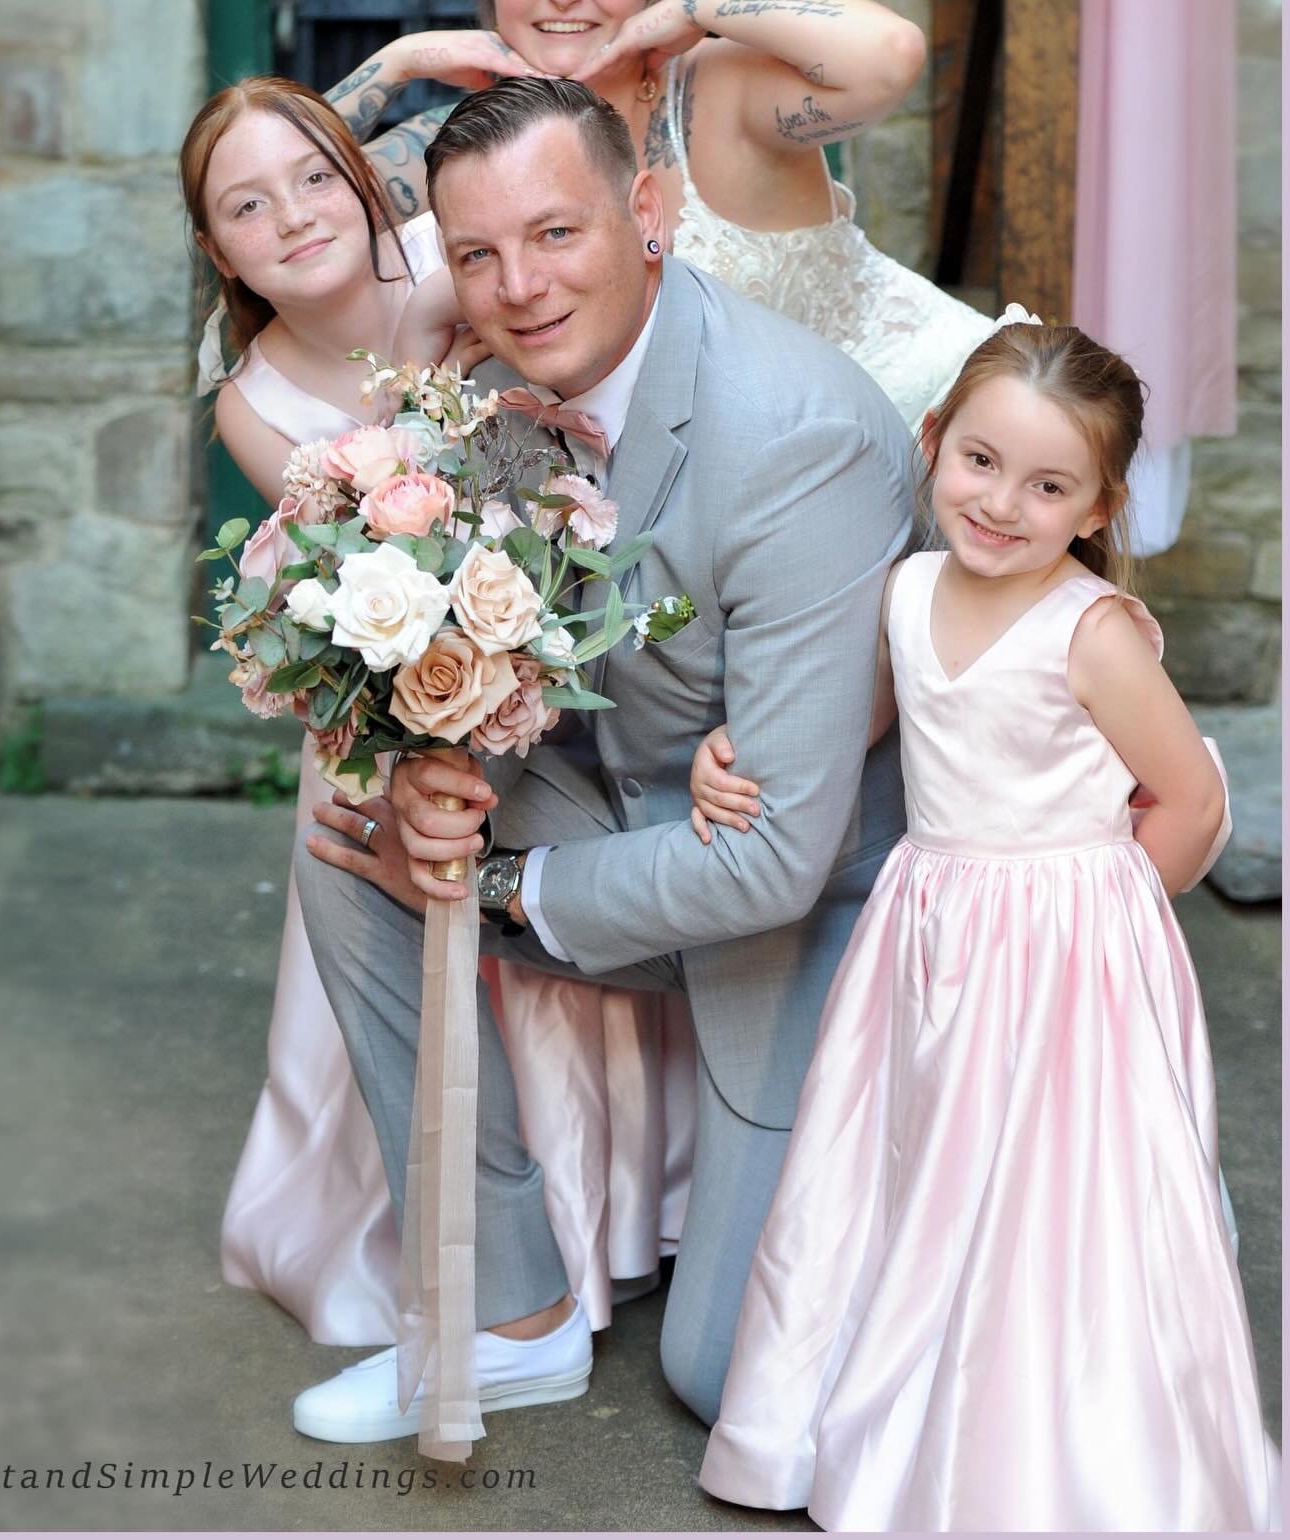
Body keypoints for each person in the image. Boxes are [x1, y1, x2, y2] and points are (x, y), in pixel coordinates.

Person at [289, 75, 914, 1443]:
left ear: (650, 210)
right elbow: (553, 669)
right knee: (351, 840)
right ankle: (507, 1312)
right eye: (477, 253)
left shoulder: (789, 438)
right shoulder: (503, 403)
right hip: (638, 805)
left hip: (810, 919)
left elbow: (774, 859)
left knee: (730, 1385)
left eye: (556, 234)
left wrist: (496, 879)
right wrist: (434, 771)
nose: (519, 285)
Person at [695, 321, 1280, 1530]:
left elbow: (1191, 798)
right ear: (933, 443)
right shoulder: (909, 590)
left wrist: (1096, 933)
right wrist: (734, 750)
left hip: (1067, 952)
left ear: (1098, 503)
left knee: (1045, 1194)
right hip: (927, 925)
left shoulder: (1092, 631)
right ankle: (896, 1415)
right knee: (910, 1165)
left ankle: (1031, 1452)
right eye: (979, 461)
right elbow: (857, 720)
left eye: (1049, 484)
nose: (1003, 503)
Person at [326, 0, 988, 434]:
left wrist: (698, 7)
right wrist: (401, 60)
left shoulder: (713, 90)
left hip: (940, 429)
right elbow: (254, 191)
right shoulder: (470, 147)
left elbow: (891, 54)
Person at [183, 76, 469, 1344]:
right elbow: (352, 571)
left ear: (359, 171)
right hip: (386, 702)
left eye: (312, 175)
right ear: (218, 249)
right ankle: (402, 1223)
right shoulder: (253, 402)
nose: (294, 217)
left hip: (535, 672)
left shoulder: (458, 256)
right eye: (248, 205)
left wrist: (415, 43)